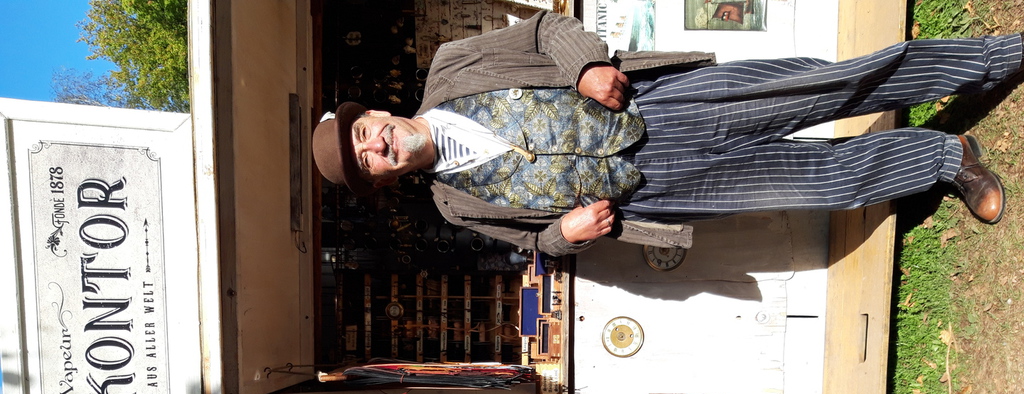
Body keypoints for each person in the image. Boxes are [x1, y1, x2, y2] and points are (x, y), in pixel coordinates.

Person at [313, 12, 1020, 257]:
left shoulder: (451, 66)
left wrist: (585, 66)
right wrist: (565, 235)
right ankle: (945, 157)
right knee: (820, 182)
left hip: (666, 106)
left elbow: (544, 30)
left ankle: (992, 60)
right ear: (383, 178)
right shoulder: (452, 205)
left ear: (374, 113)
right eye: (367, 161)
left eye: (365, 133)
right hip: (657, 189)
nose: (377, 145)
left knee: (831, 86)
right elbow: (536, 243)